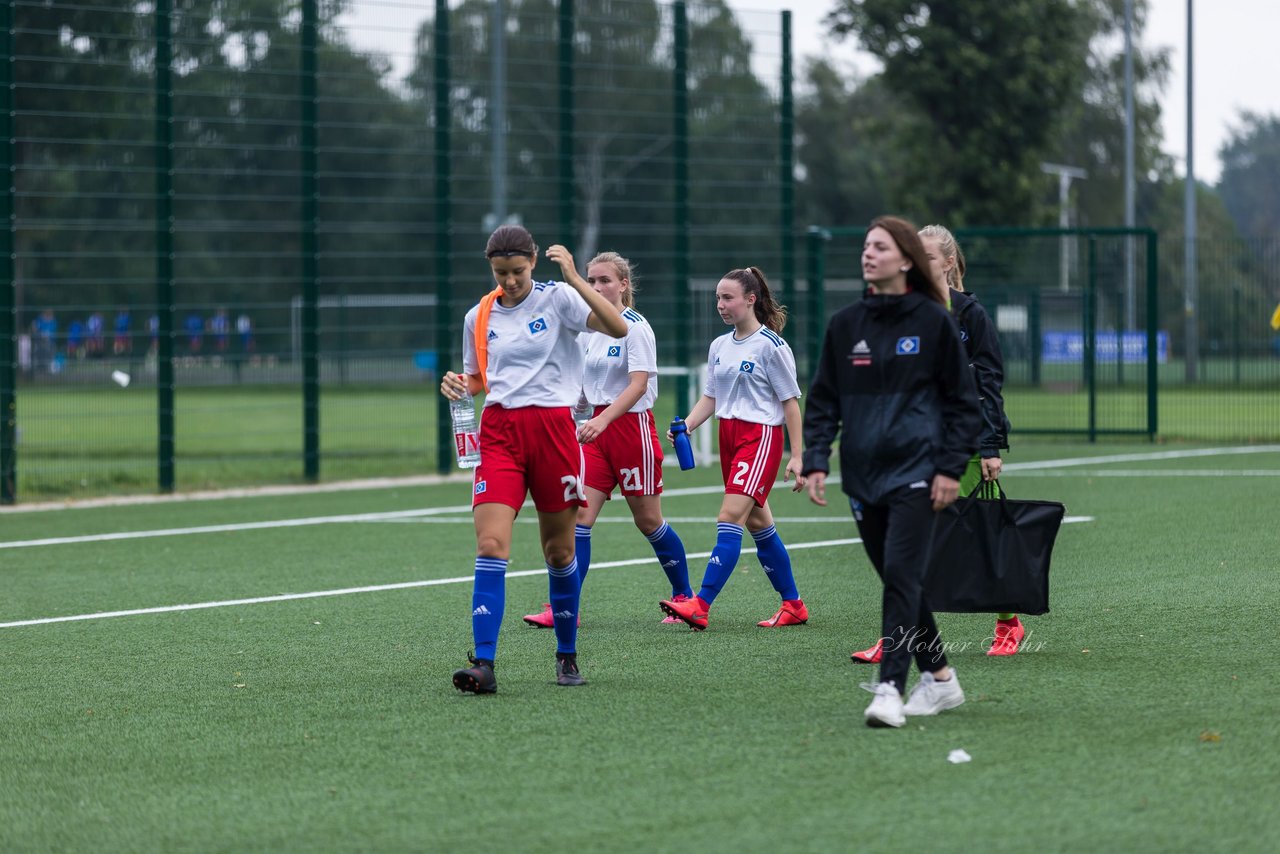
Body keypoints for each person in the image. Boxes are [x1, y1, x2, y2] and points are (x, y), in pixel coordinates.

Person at [802, 216, 982, 728]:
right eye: (864, 246)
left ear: (904, 259)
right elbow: (824, 399)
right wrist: (817, 456)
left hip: (919, 472)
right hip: (862, 476)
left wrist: (950, 468)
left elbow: (963, 405)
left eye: (879, 247)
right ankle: (942, 680)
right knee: (899, 580)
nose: (868, 254)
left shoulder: (934, 321)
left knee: (901, 578)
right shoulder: (846, 324)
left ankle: (888, 689)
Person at [439, 224, 627, 695]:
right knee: (490, 545)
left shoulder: (559, 298)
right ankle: (483, 662)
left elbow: (617, 326)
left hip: (553, 433)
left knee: (559, 552)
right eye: (501, 274)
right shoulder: (478, 315)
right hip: (499, 433)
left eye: (518, 272)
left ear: (534, 262)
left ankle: (566, 656)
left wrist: (576, 279)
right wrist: (461, 386)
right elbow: (479, 377)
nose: (510, 282)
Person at [848, 223, 1019, 663]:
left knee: (968, 538)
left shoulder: (970, 315)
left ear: (947, 262)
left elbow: (986, 383)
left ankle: (1008, 621)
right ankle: (898, 636)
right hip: (909, 445)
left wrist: (988, 446)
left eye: (925, 255)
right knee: (902, 545)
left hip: (955, 445)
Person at [522, 252, 693, 629]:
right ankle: (564, 607)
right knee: (578, 519)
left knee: (648, 521)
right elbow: (583, 386)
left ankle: (685, 599)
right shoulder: (588, 330)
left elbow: (639, 384)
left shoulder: (636, 327)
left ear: (623, 285)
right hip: (594, 434)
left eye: (604, 281)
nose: (597, 287)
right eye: (592, 281)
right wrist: (573, 414)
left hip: (631, 431)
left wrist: (602, 418)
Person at [658, 267, 809, 631]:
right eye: (718, 299)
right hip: (729, 436)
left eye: (728, 298)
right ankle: (794, 605)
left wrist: (799, 456)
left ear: (750, 299)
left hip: (759, 439)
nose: (720, 305)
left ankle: (700, 605)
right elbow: (712, 396)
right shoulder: (719, 346)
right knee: (760, 525)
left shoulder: (772, 346)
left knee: (729, 518)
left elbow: (791, 403)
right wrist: (687, 426)